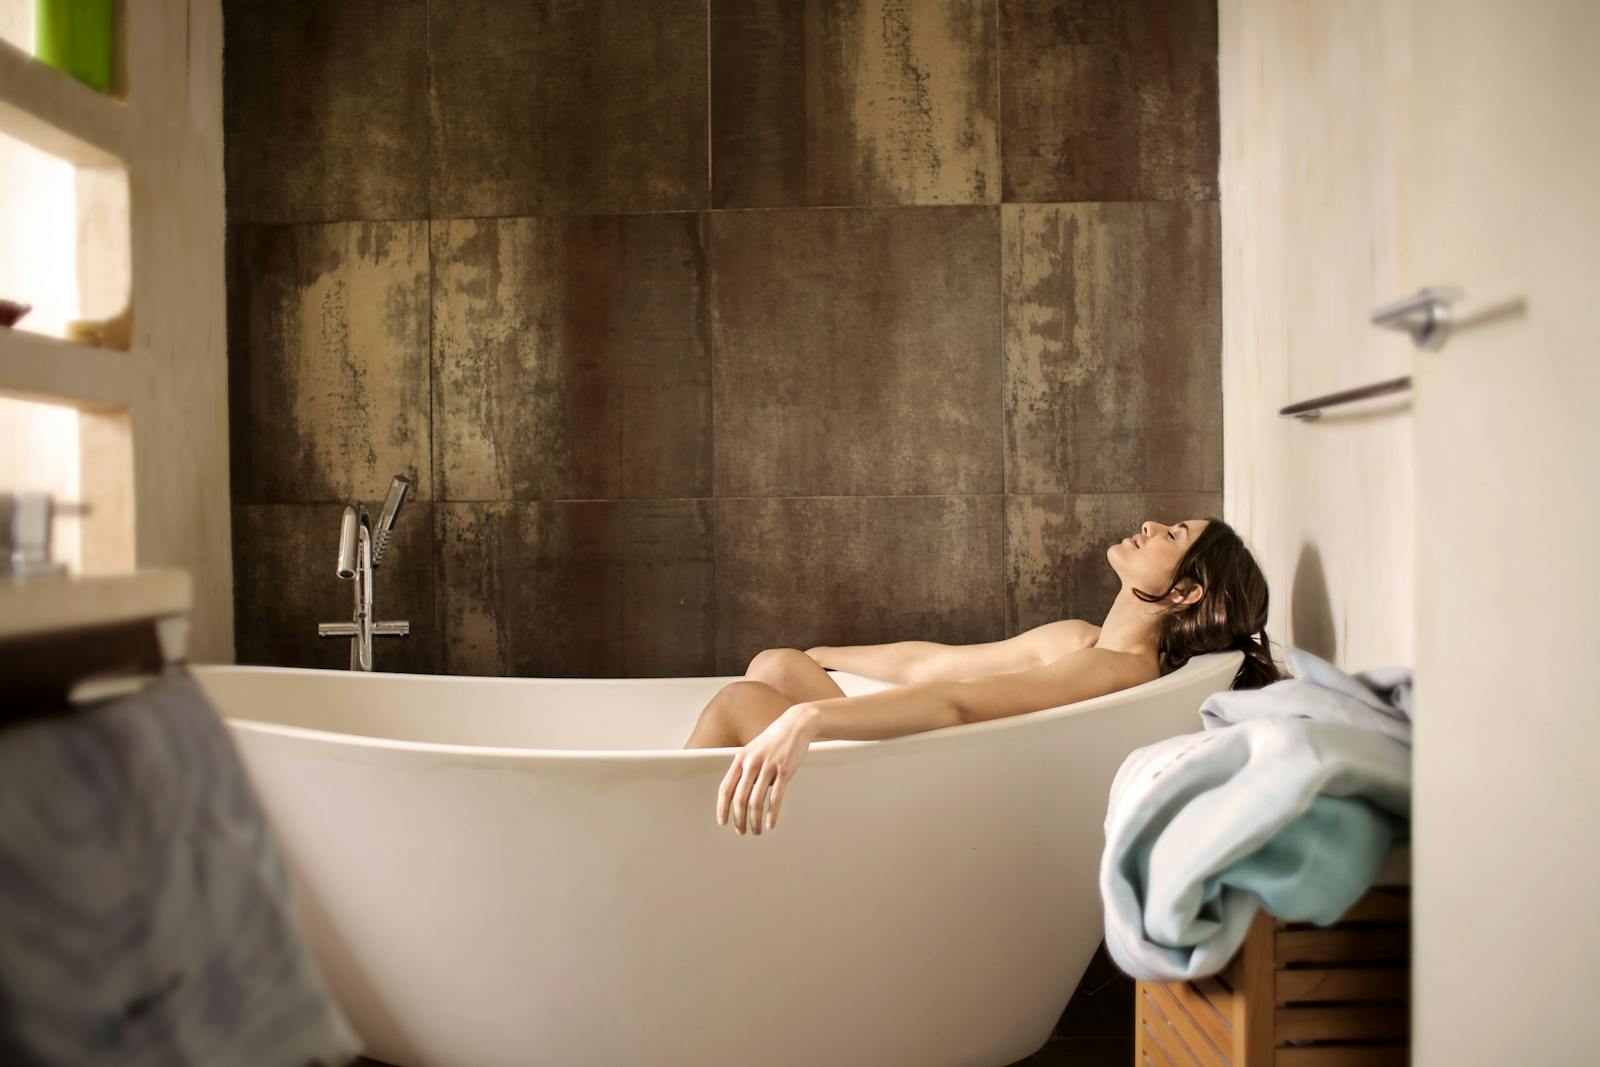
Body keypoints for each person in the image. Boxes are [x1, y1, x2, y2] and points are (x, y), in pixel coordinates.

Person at [683, 516, 1281, 836]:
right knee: (781, 666)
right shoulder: (1080, 639)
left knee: (740, 702)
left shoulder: (1113, 670)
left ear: (1184, 591)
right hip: (936, 763)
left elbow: (956, 706)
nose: (1150, 524)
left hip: (933, 800)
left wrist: (806, 717)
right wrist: (825, 654)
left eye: (1172, 535)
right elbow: (932, 664)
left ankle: (670, 845)